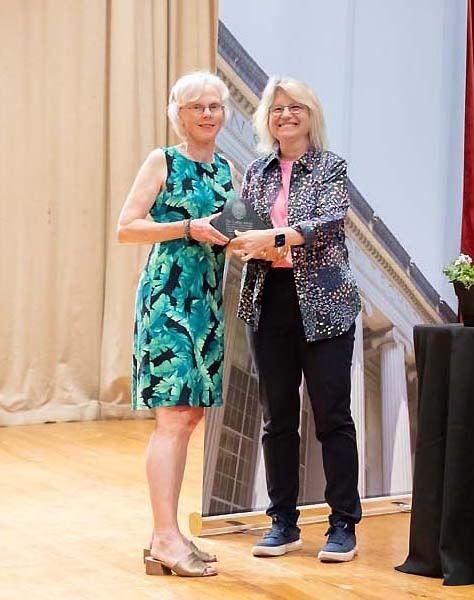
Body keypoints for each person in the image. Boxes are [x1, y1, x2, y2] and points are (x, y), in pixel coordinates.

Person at [229, 75, 362, 563]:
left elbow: (326, 224)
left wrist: (274, 239)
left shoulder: (330, 166)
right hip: (269, 300)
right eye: (276, 108)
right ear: (267, 118)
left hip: (324, 302)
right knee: (277, 418)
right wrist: (236, 239)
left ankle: (342, 523)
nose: (285, 115)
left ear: (311, 115)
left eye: (295, 108)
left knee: (332, 416)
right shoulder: (256, 171)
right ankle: (282, 522)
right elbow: (239, 227)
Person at [117, 71, 234, 577]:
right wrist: (186, 227)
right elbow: (127, 227)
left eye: (214, 105)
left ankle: (165, 534)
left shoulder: (228, 169)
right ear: (178, 114)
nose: (207, 114)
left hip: (208, 301)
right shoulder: (161, 161)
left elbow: (232, 231)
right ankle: (165, 537)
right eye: (196, 107)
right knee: (172, 417)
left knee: (188, 418)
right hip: (168, 298)